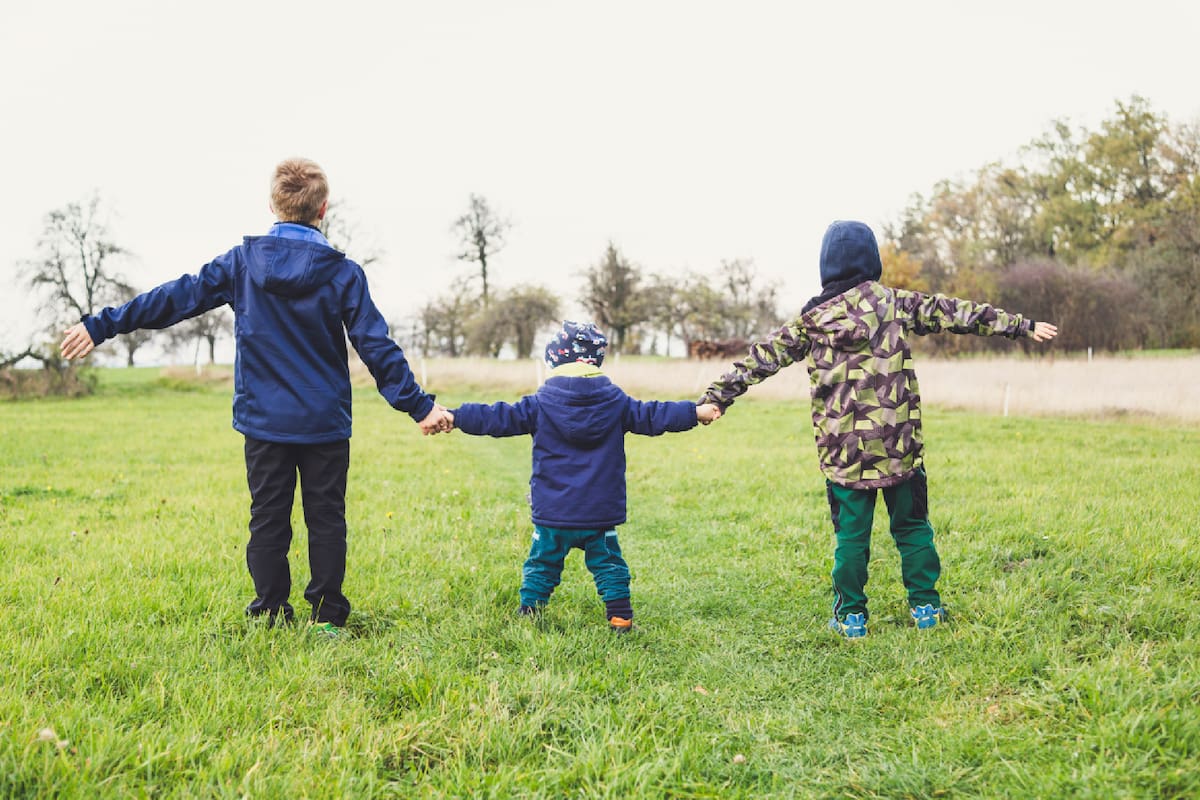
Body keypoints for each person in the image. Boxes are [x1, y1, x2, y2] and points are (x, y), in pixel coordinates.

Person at [59, 157, 452, 635]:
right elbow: (375, 345)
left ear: (272, 204)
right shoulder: (344, 273)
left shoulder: (242, 264)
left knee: (267, 519)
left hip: (264, 422)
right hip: (324, 422)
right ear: (323, 208)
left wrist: (102, 324)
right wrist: (420, 406)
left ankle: (269, 611)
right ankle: (327, 619)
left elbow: (175, 298)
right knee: (326, 518)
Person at [700, 220, 1058, 639]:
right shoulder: (893, 304)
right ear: (872, 261)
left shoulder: (811, 321)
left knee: (851, 538)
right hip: (899, 447)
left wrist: (717, 396)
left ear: (826, 267)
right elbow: (955, 312)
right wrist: (1021, 325)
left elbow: (760, 358)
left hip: (845, 455)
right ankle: (925, 606)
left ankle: (851, 616)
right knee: (912, 528)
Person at [445, 321, 722, 632]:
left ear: (554, 360)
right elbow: (653, 415)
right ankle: (620, 617)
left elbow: (496, 417)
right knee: (608, 565)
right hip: (599, 512)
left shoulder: (539, 403)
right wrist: (694, 413)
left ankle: (530, 613)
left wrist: (456, 416)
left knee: (542, 563)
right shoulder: (617, 402)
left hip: (553, 512)